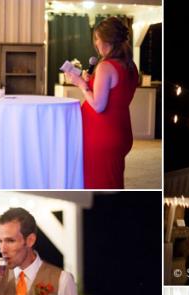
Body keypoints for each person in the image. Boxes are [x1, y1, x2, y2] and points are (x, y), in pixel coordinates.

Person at [68, 17, 138, 188]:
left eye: (97, 39)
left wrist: (81, 84)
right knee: (112, 182)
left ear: (106, 40)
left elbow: (99, 105)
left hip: (101, 136)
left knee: (98, 183)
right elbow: (116, 95)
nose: (96, 44)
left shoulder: (105, 66)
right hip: (120, 131)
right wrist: (90, 80)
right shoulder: (130, 66)